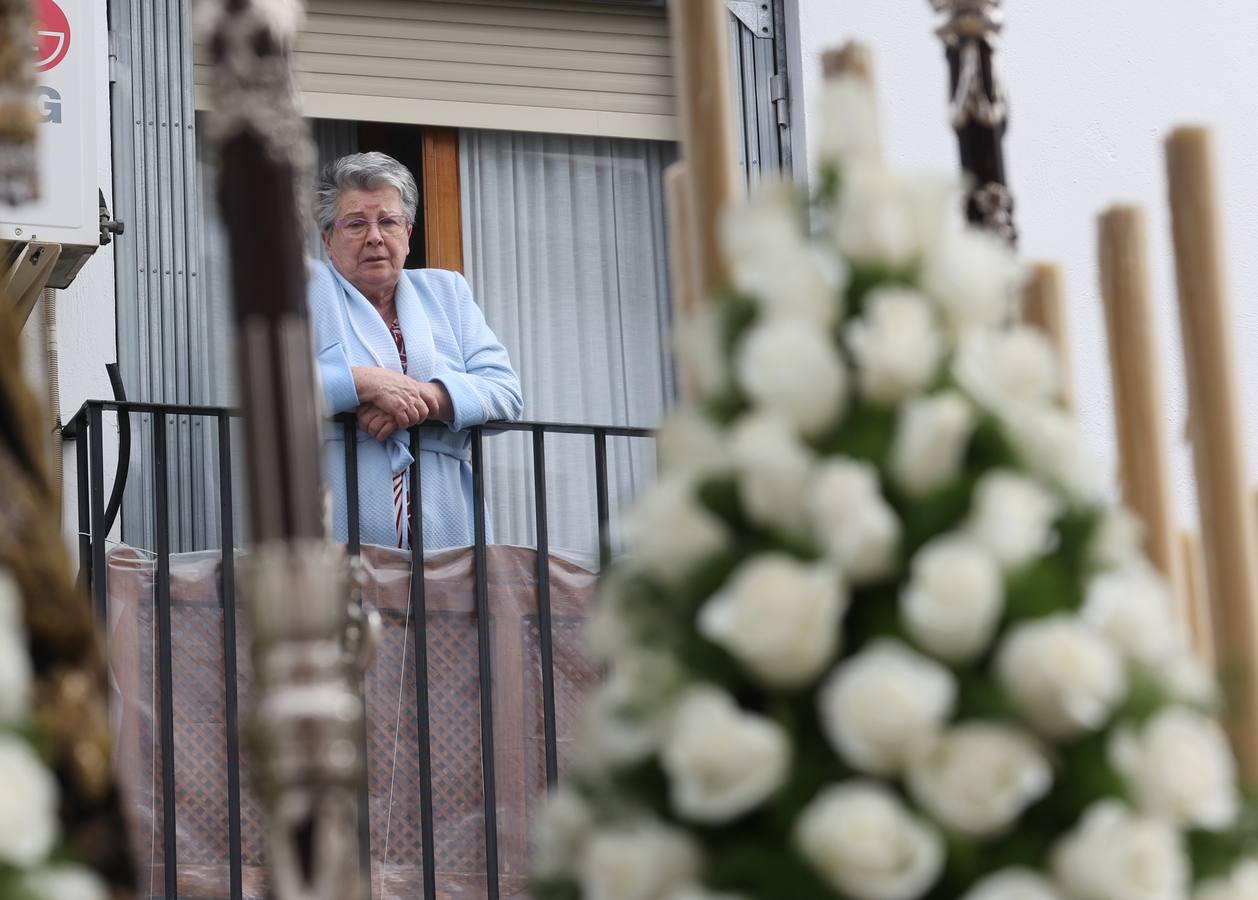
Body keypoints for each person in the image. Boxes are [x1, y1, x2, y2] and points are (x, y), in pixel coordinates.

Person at [308, 151, 523, 549]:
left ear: (407, 233)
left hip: (447, 531)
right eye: (356, 224)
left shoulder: (446, 292)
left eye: (388, 221)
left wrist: (427, 397)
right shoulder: (306, 290)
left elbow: (506, 393)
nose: (375, 236)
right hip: (335, 533)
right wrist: (366, 382)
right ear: (327, 239)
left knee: (452, 610)